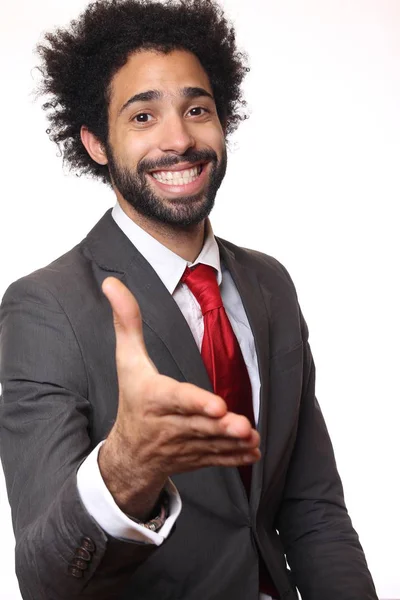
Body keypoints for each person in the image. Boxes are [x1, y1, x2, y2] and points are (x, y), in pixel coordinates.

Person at [0, 1, 378, 599]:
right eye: (143, 116)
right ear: (96, 142)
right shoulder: (45, 308)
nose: (179, 139)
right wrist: (127, 466)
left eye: (196, 109)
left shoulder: (270, 284)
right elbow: (45, 578)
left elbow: (314, 511)